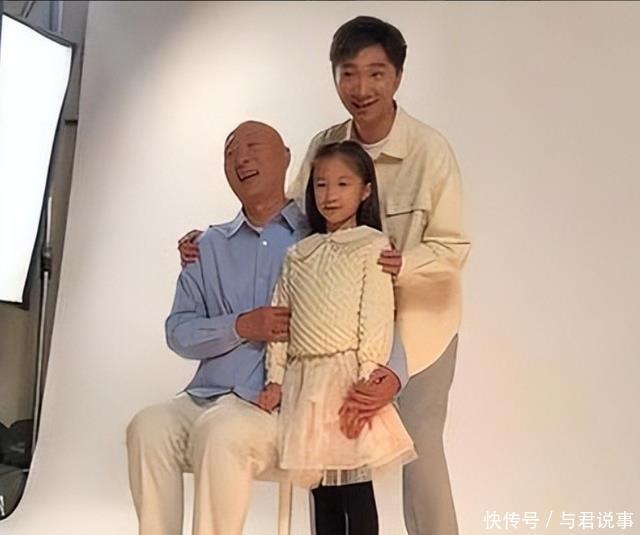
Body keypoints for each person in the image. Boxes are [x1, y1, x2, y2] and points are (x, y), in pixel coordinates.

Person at [178, 16, 471, 535]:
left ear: (398, 77)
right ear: (335, 77)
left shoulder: (430, 151)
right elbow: (293, 220)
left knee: (421, 448)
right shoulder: (326, 144)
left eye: (376, 73)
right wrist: (216, 240)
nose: (362, 88)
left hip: (418, 328)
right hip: (336, 333)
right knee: (328, 453)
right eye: (348, 74)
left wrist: (402, 264)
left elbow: (453, 248)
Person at [126, 120, 408, 535]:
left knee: (221, 433)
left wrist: (392, 375)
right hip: (207, 394)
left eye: (254, 146)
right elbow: (179, 332)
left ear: (287, 158)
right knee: (147, 427)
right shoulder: (206, 247)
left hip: (282, 403)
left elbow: (378, 314)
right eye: (230, 151)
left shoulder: (324, 237)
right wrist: (240, 326)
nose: (241, 158)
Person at [257, 141, 416, 535]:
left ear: (365, 190)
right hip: (305, 383)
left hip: (346, 381)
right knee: (321, 490)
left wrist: (366, 378)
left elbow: (376, 317)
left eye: (343, 184)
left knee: (355, 489)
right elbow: (282, 320)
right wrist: (276, 379)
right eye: (321, 184)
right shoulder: (299, 254)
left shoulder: (371, 246)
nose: (330, 195)